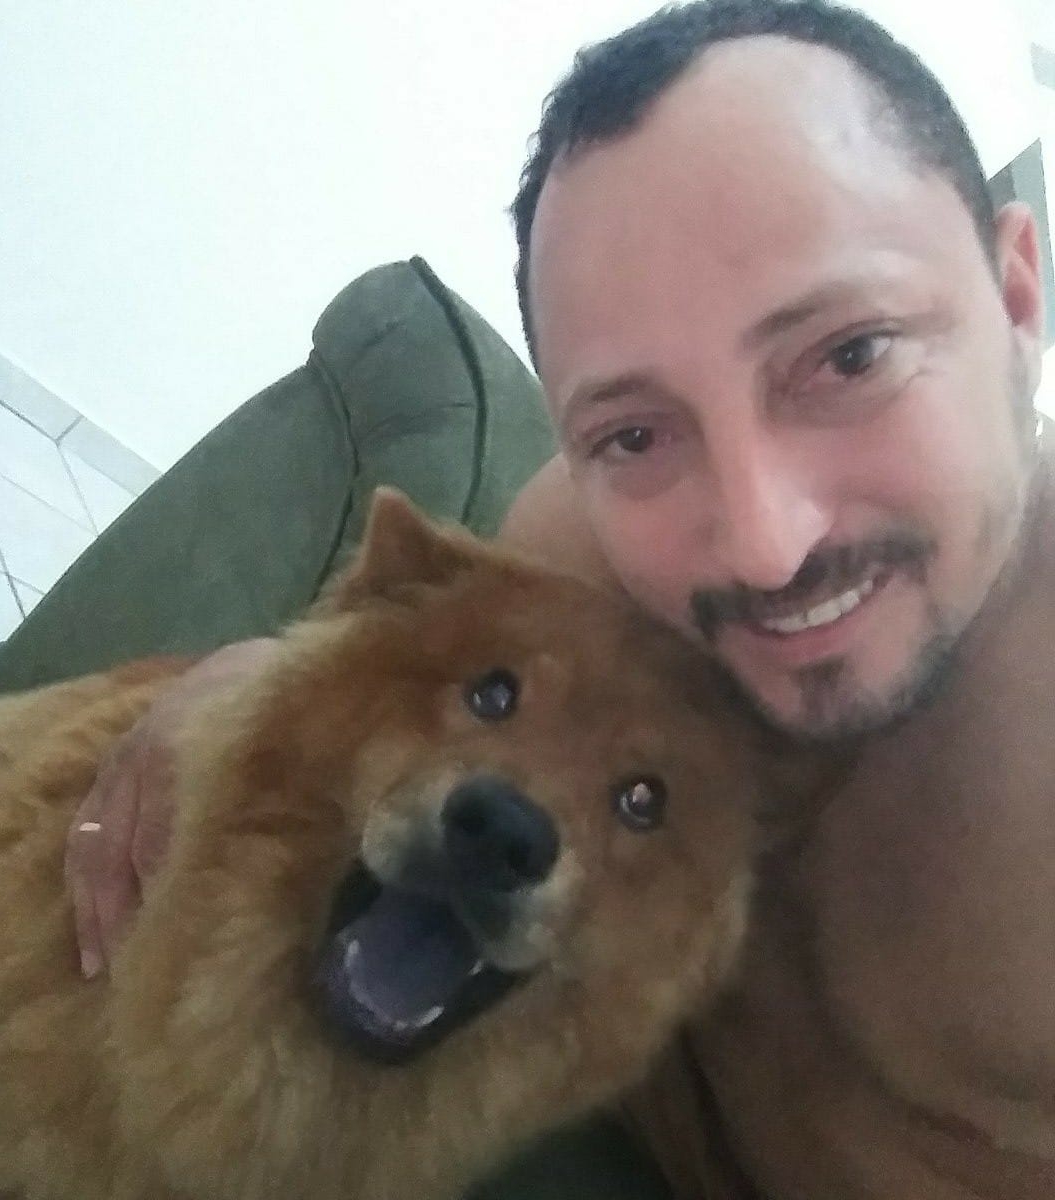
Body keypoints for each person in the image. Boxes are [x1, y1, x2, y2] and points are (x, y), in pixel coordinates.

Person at [66, 1, 1054, 1196]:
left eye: (850, 356)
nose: (762, 543)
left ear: (1017, 298)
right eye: (635, 431)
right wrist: (250, 688)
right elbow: (408, 695)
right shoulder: (585, 552)